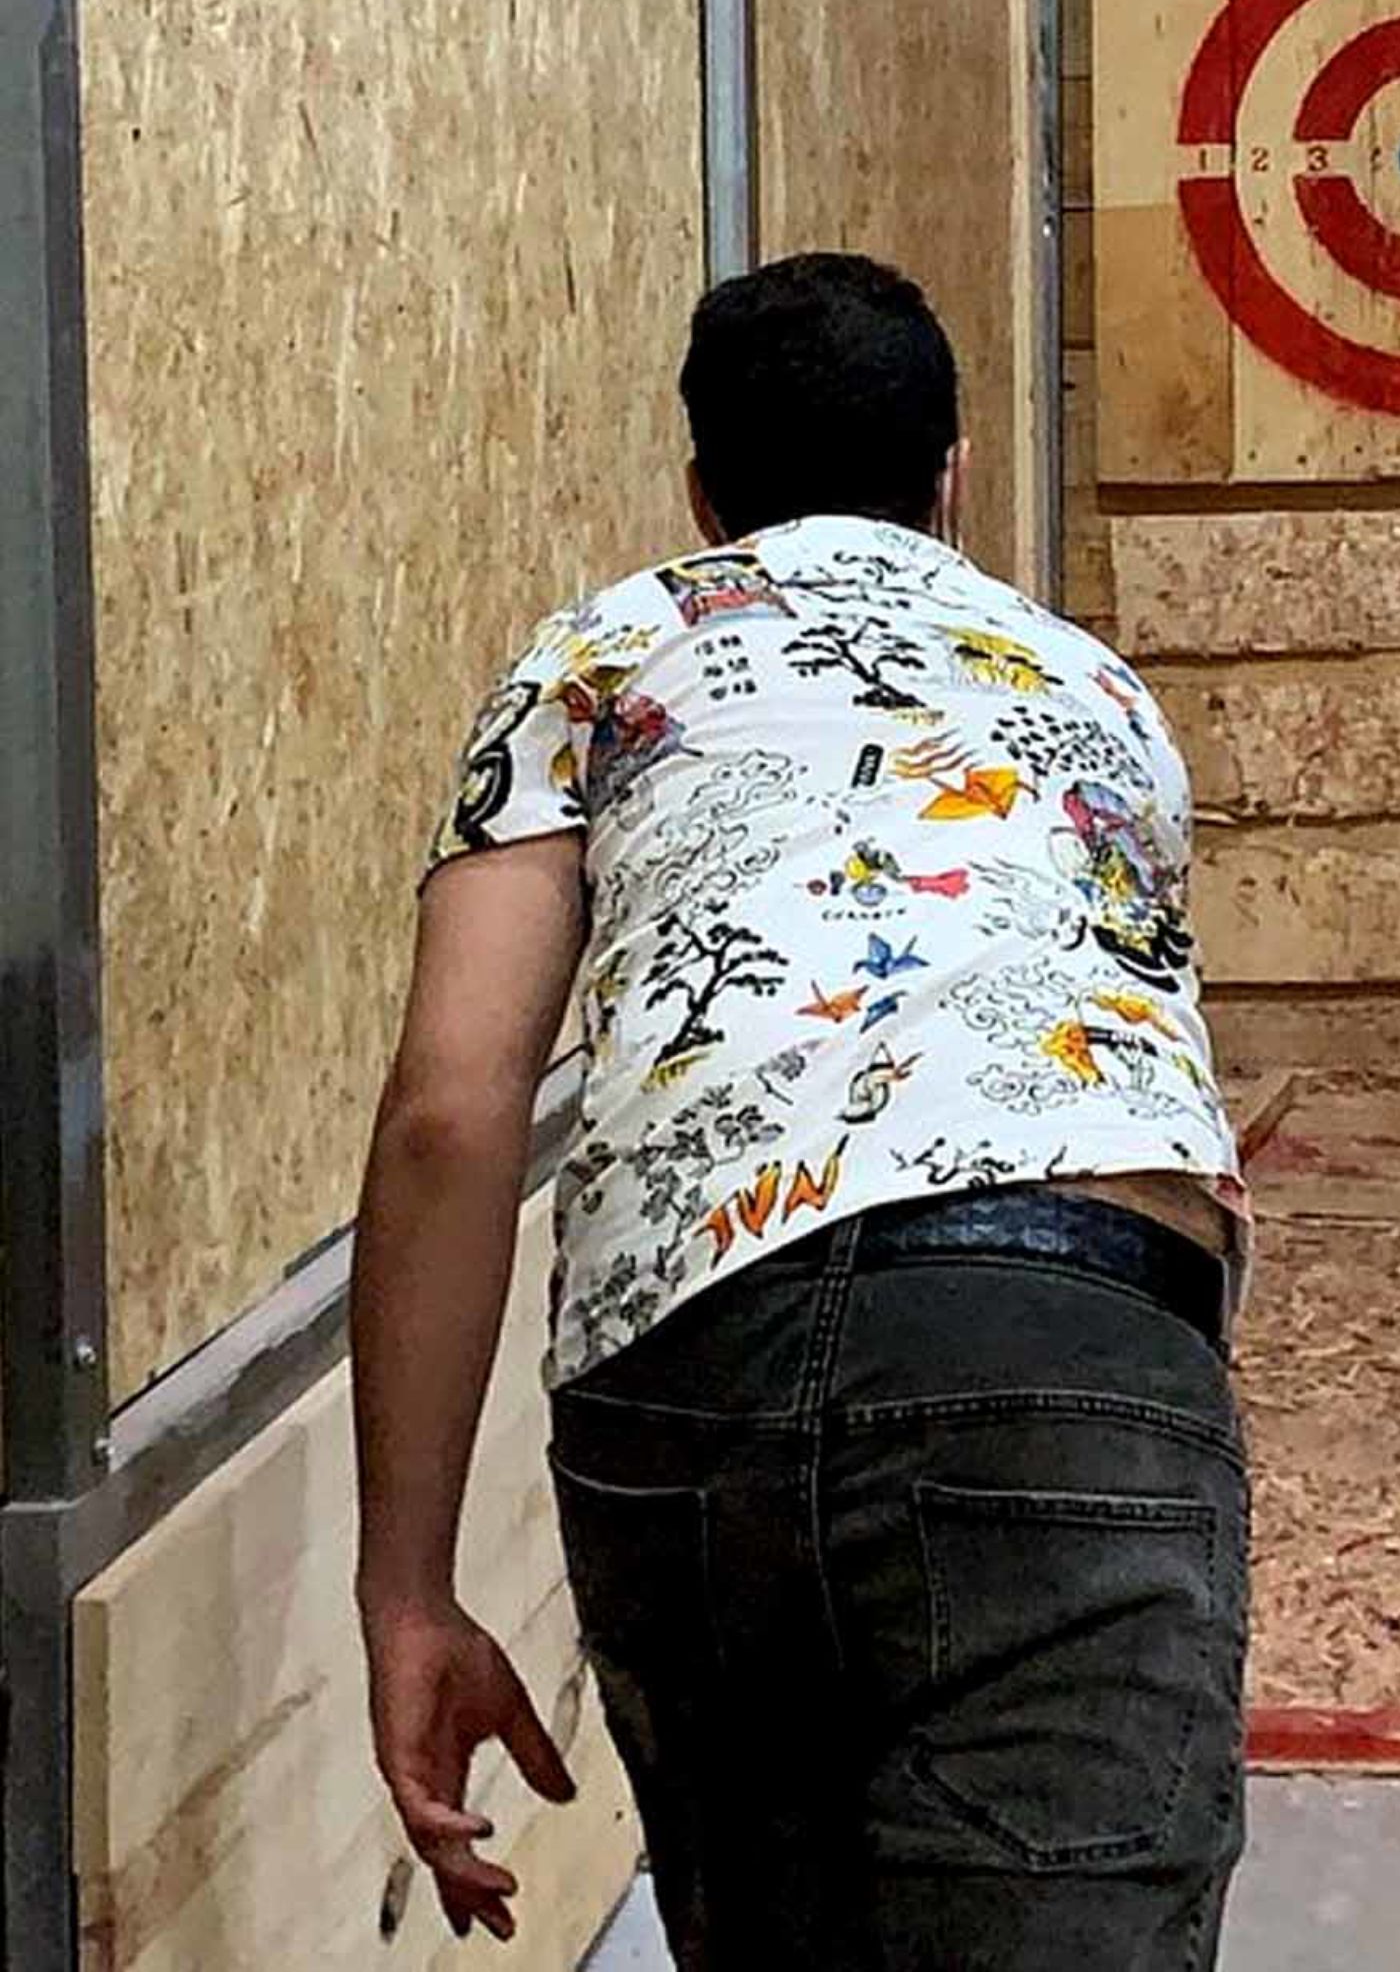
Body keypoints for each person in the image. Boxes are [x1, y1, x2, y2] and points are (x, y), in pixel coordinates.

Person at [349, 252, 1250, 1969]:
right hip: (1060, 1338)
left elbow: (451, 1117)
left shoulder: (602, 655)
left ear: (703, 497)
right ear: (953, 480)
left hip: (694, 1357)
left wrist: (408, 1591)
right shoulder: (1093, 691)